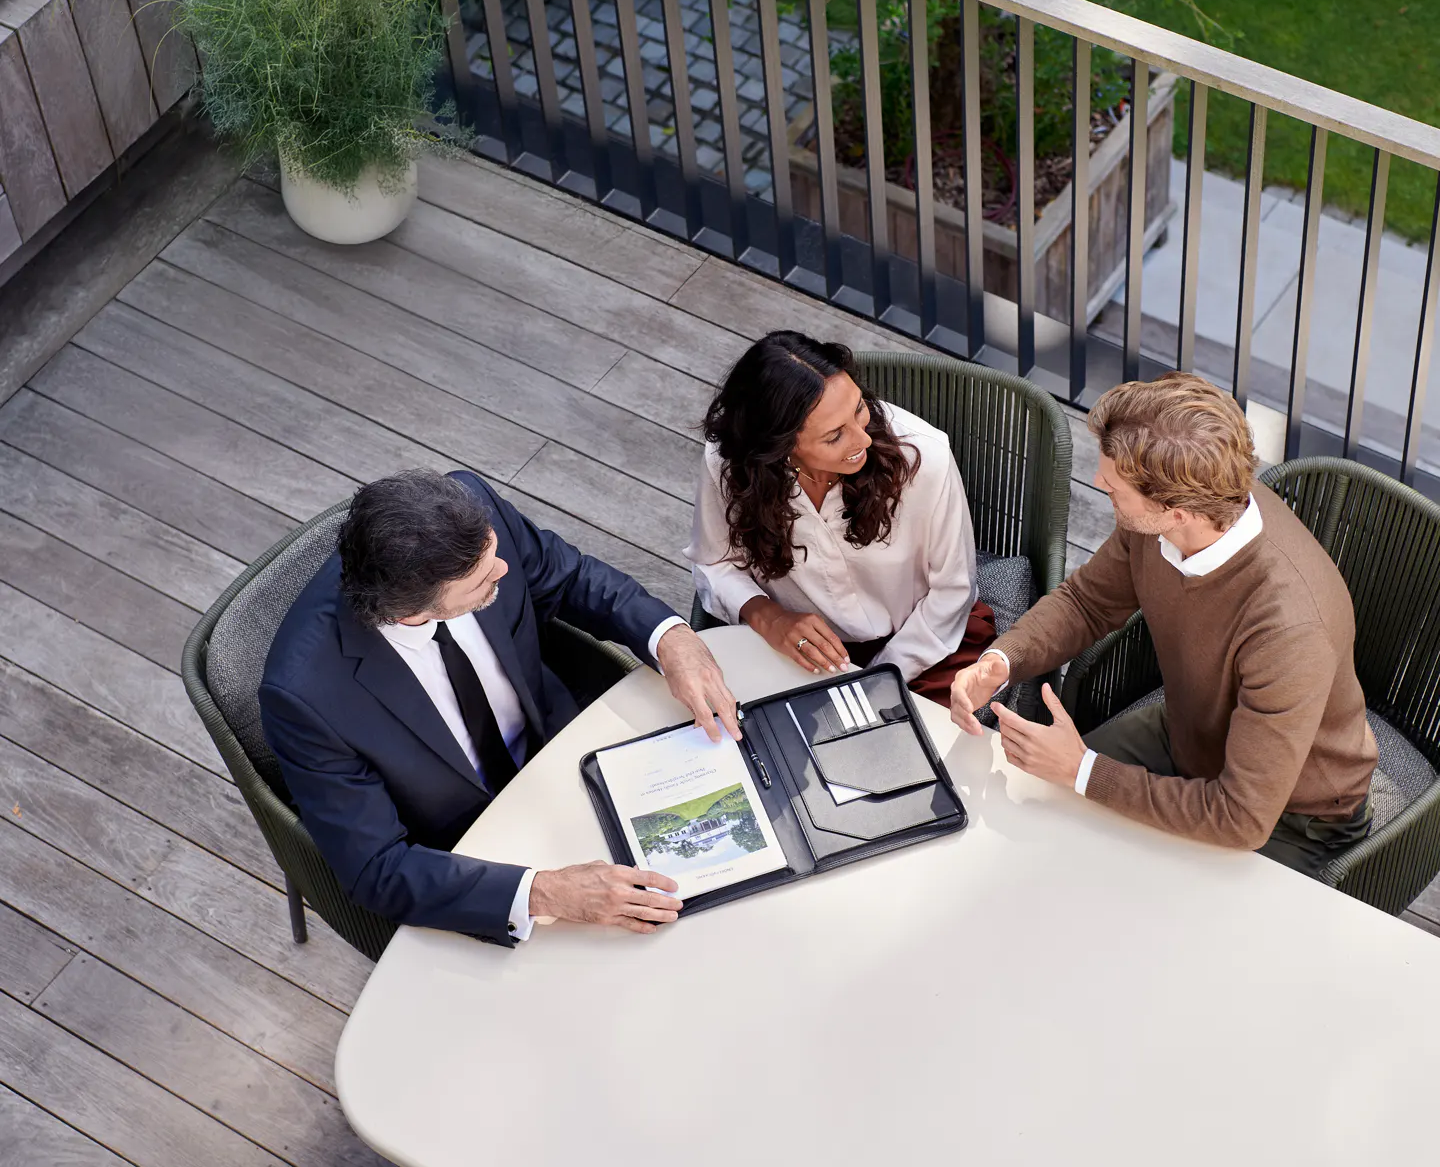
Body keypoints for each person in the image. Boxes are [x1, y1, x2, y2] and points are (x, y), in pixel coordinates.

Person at [260, 467, 740, 944]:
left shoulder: (471, 507)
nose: (504, 570)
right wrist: (546, 894)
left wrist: (670, 637)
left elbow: (571, 578)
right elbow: (378, 869)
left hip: (563, 751)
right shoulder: (305, 697)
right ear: (412, 612)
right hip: (468, 855)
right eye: (481, 582)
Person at [950, 371, 1377, 873]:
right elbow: (1087, 602)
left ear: (1176, 513)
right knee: (1041, 822)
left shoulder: (1288, 632)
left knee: (1141, 912)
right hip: (1186, 734)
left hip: (1291, 814)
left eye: (1114, 489)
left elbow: (1241, 817)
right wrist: (1003, 660)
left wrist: (1082, 769)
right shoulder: (1173, 518)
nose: (1097, 484)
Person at [687, 331, 991, 699]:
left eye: (859, 408)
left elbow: (953, 590)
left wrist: (876, 680)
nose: (863, 440)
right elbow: (715, 563)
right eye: (834, 436)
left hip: (924, 646)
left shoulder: (924, 459)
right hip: (795, 651)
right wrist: (766, 615)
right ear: (776, 446)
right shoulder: (730, 464)